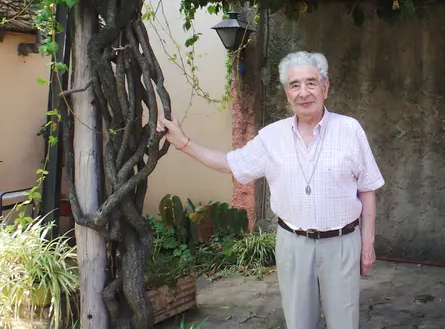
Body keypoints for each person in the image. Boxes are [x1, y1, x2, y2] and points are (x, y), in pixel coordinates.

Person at [157, 51, 385, 329]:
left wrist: (367, 245)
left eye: (311, 83)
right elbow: (230, 163)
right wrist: (184, 143)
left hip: (341, 243)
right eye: (295, 85)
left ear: (325, 88)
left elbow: (367, 188)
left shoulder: (350, 130)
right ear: (287, 94)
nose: (303, 92)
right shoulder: (272, 137)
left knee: (344, 322)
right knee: (299, 323)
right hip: (293, 244)